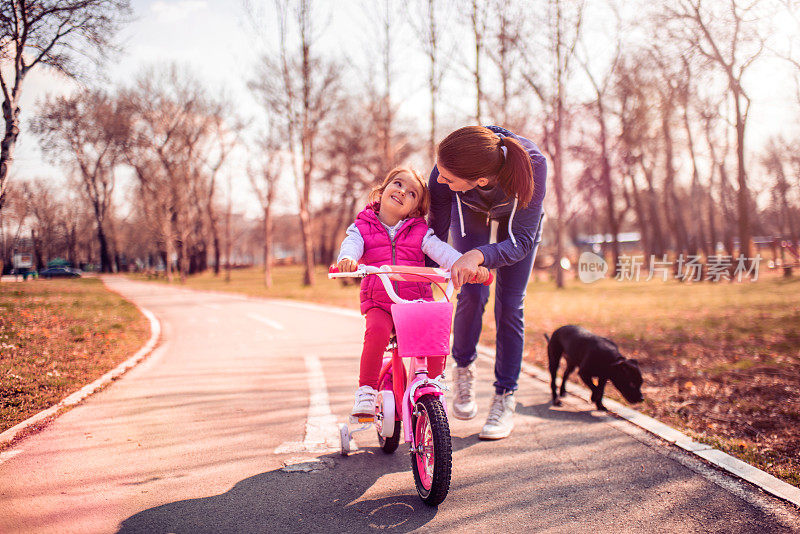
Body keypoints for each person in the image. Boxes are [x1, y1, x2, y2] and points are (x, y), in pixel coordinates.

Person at [336, 166, 489, 418]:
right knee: (376, 331)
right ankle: (366, 390)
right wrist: (348, 259)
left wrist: (466, 265)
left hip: (415, 303)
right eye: (397, 184)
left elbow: (444, 253)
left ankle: (433, 382)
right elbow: (351, 245)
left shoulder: (420, 233)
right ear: (383, 189)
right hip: (380, 302)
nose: (402, 192)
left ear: (416, 209)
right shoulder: (362, 227)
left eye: (412, 193)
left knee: (438, 323)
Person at [428, 125, 547, 440]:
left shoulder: (533, 164)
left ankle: (505, 395)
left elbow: (521, 241)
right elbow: (435, 236)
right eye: (439, 173)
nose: (440, 181)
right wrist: (426, 279)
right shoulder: (444, 171)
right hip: (471, 215)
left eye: (448, 179)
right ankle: (463, 367)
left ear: (479, 180)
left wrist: (478, 256)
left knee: (510, 304)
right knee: (472, 293)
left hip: (517, 226)